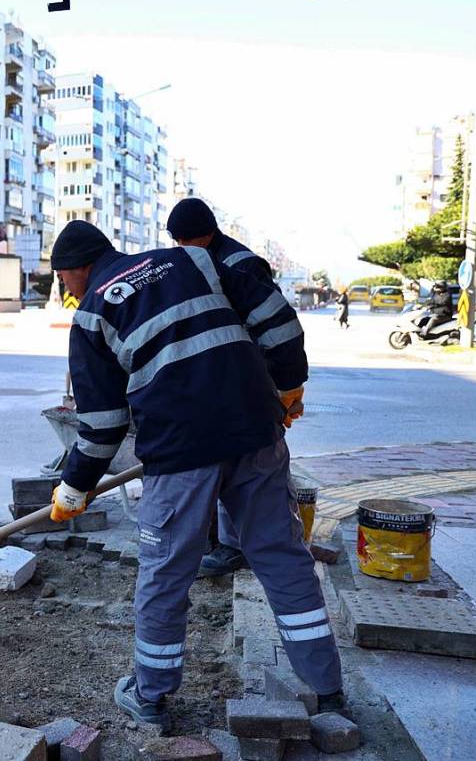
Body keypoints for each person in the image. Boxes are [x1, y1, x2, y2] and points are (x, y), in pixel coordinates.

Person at [47, 220, 343, 731]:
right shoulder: (190, 260)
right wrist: (288, 385)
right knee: (282, 557)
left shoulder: (92, 315)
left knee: (166, 572)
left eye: (62, 281)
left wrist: (74, 487)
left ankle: (151, 697)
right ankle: (328, 689)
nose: (66, 290)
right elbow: (279, 322)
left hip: (181, 451)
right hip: (256, 429)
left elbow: (102, 426)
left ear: (74, 270)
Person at [166, 197, 280, 578]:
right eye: (176, 243)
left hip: (246, 377)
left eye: (188, 242)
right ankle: (229, 538)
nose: (183, 250)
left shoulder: (241, 264)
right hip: (220, 378)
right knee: (229, 460)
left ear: (208, 234)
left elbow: (271, 326)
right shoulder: (195, 260)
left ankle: (238, 546)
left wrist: (281, 386)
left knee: (244, 462)